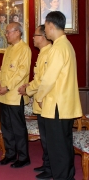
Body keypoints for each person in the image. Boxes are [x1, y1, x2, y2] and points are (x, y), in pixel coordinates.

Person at [35, 11, 82, 179]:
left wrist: (39, 96)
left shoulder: (58, 48)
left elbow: (48, 79)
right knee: (65, 145)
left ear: (51, 25)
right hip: (64, 105)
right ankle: (68, 176)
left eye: (45, 26)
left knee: (57, 149)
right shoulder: (67, 45)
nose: (44, 31)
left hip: (56, 106)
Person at [18, 25, 52, 179]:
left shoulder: (50, 52)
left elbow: (44, 81)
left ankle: (51, 168)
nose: (32, 38)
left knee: (49, 139)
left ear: (43, 36)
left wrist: (28, 89)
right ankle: (47, 164)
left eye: (35, 35)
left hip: (47, 103)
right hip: (40, 103)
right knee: (45, 138)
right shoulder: (42, 53)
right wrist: (29, 85)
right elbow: (38, 79)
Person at [0, 22, 31, 168]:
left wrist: (7, 87)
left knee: (18, 128)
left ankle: (23, 157)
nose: (6, 34)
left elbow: (22, 72)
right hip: (4, 96)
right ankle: (10, 154)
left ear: (17, 32)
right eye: (6, 32)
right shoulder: (8, 49)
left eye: (8, 32)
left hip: (15, 95)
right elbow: (2, 69)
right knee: (6, 128)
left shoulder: (25, 49)